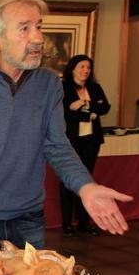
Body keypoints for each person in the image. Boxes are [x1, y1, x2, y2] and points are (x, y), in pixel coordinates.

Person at [0, 0, 132, 250]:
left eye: (38, 27)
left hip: (28, 219)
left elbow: (58, 146)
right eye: (24, 29)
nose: (38, 38)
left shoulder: (49, 84)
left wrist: (86, 187)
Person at [60, 55, 111, 236]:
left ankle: (83, 221)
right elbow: (64, 113)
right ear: (73, 68)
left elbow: (105, 107)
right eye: (82, 67)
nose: (85, 71)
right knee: (68, 181)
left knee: (86, 180)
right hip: (71, 140)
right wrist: (88, 113)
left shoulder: (94, 87)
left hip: (91, 140)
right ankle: (66, 223)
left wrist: (83, 105)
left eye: (88, 67)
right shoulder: (64, 87)